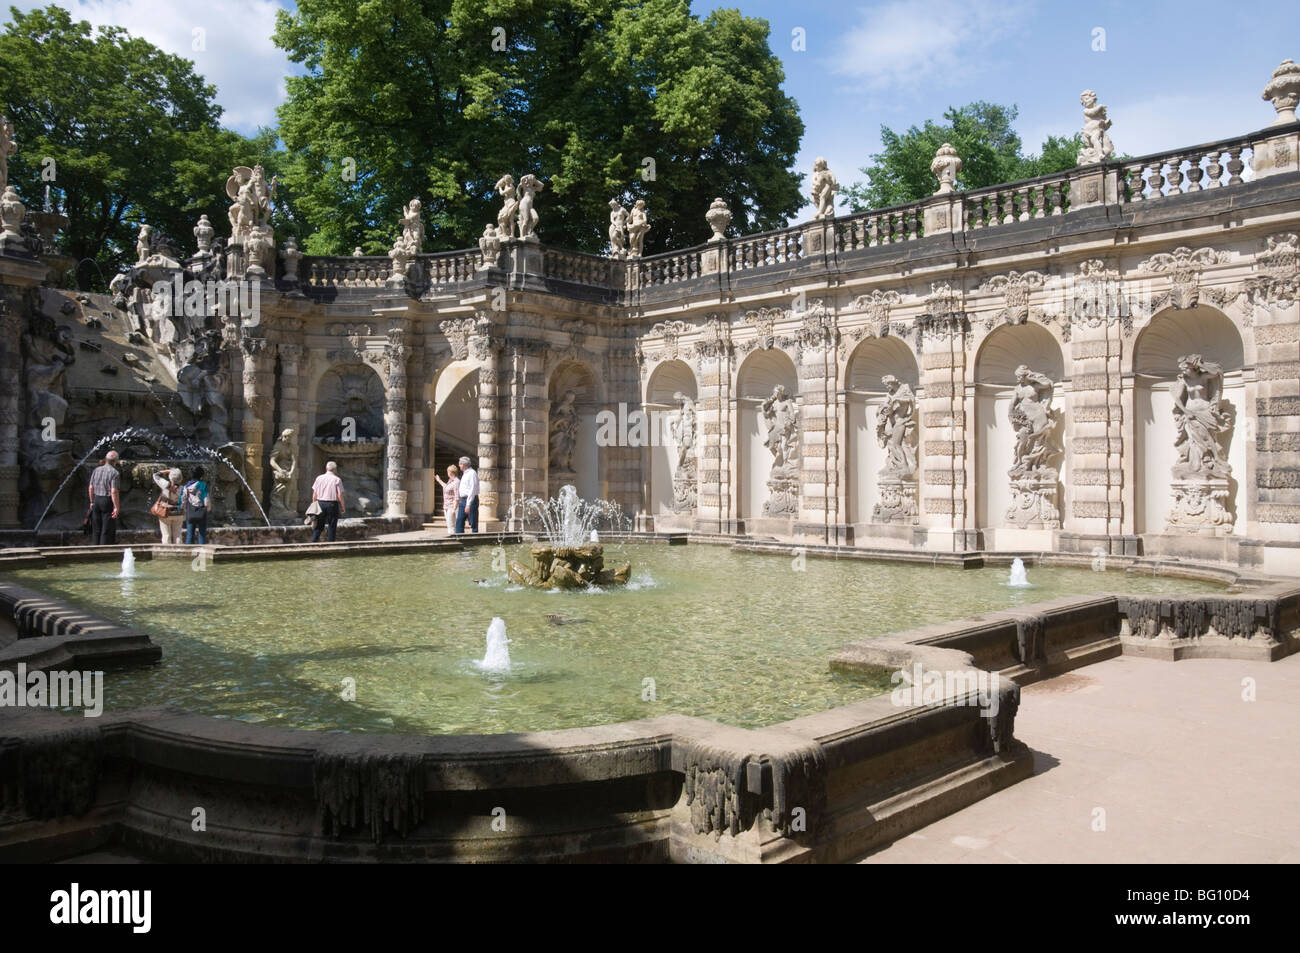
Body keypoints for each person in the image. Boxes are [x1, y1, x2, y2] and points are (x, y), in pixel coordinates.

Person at [87, 451, 121, 545]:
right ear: (116, 461)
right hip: (107, 501)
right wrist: (116, 507)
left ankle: (94, 549)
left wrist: (91, 501)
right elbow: (114, 491)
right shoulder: (114, 473)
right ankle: (104, 551)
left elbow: (90, 487)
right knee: (106, 528)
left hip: (97, 499)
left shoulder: (96, 470)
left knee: (96, 527)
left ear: (106, 459)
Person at [311, 460, 346, 542]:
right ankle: (331, 544)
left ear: (326, 468)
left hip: (320, 503)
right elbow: (340, 495)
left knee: (319, 525)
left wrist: (314, 505)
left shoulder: (319, 478)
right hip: (332, 504)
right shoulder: (337, 479)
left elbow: (314, 494)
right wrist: (343, 506)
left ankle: (314, 542)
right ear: (335, 469)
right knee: (332, 525)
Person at [152, 467, 185, 544]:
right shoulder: (184, 488)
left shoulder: (166, 484)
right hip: (178, 513)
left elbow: (155, 475)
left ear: (170, 477)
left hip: (166, 512)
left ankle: (166, 553)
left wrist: (168, 471)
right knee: (178, 535)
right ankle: (179, 552)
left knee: (166, 535)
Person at [182, 466, 210, 544]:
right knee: (202, 534)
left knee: (189, 535)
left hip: (190, 511)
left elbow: (183, 499)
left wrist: (184, 509)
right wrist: (207, 508)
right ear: (201, 475)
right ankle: (202, 551)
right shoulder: (203, 485)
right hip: (201, 511)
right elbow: (206, 499)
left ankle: (188, 553)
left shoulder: (186, 486)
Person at [434, 463, 460, 534]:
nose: (447, 473)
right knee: (449, 525)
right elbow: (446, 487)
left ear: (451, 472)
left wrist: (454, 508)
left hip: (452, 506)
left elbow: (457, 496)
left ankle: (452, 541)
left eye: (448, 471)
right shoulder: (450, 481)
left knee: (451, 526)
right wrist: (439, 480)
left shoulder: (456, 482)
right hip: (446, 506)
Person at [455, 456, 479, 534]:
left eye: (460, 464)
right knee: (459, 521)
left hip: (470, 500)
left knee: (473, 523)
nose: (459, 465)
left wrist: (468, 504)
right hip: (463, 500)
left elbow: (472, 489)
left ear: (464, 465)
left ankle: (474, 540)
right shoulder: (465, 474)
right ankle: (459, 539)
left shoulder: (472, 473)